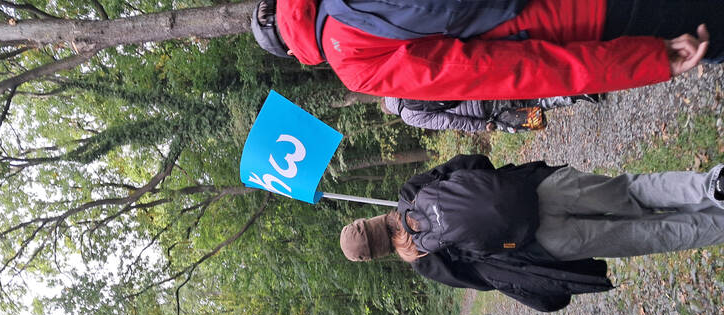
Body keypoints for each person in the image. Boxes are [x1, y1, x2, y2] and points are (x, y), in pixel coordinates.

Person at [339, 153, 724, 312]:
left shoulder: (424, 261)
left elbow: (484, 280)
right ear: (371, 221)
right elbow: (475, 163)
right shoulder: (410, 192)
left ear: (379, 254)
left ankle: (717, 226)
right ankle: (709, 187)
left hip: (541, 244)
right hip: (539, 188)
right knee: (629, 190)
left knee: (644, 236)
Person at [250, 0, 718, 101]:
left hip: (579, 17)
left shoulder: (355, 62)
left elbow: (507, 71)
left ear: (293, 53)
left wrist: (648, 59)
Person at [381, 95, 600, 133]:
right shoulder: (403, 84)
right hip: (478, 85)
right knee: (529, 86)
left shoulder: (408, 115)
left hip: (481, 110)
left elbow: (447, 121)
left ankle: (575, 95)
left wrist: (480, 126)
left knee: (530, 107)